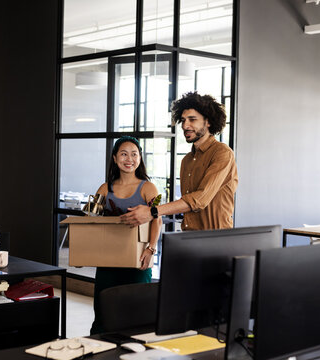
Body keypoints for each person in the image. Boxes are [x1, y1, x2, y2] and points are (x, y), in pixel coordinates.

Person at [121, 91, 238, 231]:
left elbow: (200, 199)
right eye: (183, 120)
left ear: (208, 122)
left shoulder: (222, 153)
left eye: (192, 119)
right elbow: (187, 203)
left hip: (215, 240)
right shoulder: (187, 161)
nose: (185, 126)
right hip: (188, 238)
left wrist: (152, 212)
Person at [90, 136, 162, 335]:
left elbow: (157, 219)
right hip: (107, 263)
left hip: (137, 261)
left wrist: (151, 249)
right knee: (103, 314)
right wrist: (83, 251)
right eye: (123, 154)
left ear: (140, 158)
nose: (129, 159)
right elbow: (89, 221)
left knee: (136, 314)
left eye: (134, 154)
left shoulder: (149, 188)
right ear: (114, 158)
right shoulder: (105, 188)